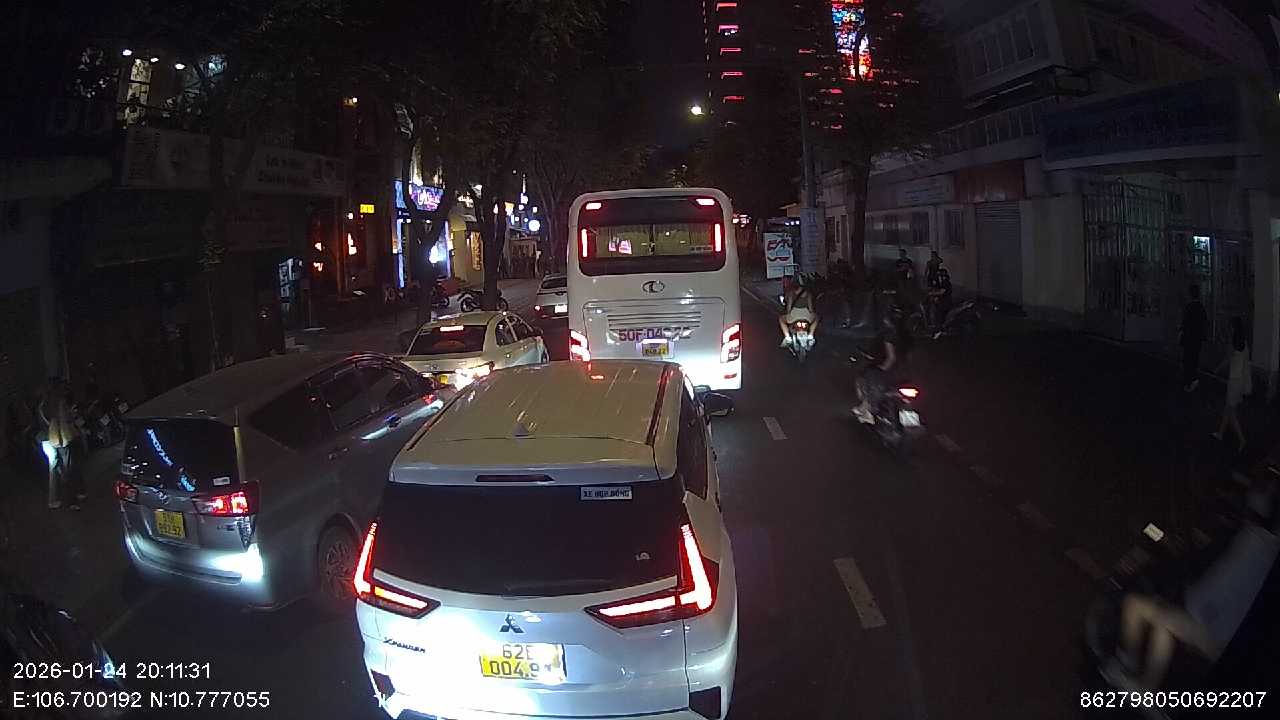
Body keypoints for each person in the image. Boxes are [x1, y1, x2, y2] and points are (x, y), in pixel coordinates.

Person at [1104, 495, 1279, 691]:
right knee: (1161, 619)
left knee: (1138, 606)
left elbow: (1198, 560)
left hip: (1211, 630)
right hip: (1199, 609)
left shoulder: (1252, 540)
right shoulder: (1248, 538)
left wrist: (1172, 542)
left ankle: (1132, 674)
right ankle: (1135, 677)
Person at [852, 304, 912, 424]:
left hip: (892, 372)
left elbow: (891, 359)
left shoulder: (889, 335)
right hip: (905, 372)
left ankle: (866, 410)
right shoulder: (906, 335)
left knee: (871, 379)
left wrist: (879, 370)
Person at [38, 380, 84, 511]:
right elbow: (65, 419)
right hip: (60, 438)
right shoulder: (59, 402)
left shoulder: (43, 405)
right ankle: (72, 499)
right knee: (68, 467)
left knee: (56, 468)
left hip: (49, 440)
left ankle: (55, 499)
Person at [1212, 317, 1251, 450]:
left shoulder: (1232, 343)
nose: (1229, 328)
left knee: (1231, 412)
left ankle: (1242, 440)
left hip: (1234, 381)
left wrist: (1216, 369)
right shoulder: (1244, 343)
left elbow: (1227, 360)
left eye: (1230, 326)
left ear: (1233, 328)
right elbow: (1245, 362)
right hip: (1240, 380)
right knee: (1228, 409)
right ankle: (1220, 433)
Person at [1180, 285, 1209, 392]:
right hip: (1197, 338)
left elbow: (1185, 323)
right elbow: (1204, 322)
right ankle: (1193, 379)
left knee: (1187, 359)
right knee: (1194, 358)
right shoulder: (1201, 307)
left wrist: (1182, 334)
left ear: (1190, 294)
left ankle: (1189, 381)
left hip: (1189, 338)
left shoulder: (1189, 307)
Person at [778, 282, 820, 347]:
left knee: (781, 319)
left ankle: (787, 337)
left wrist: (788, 313)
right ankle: (811, 335)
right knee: (816, 318)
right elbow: (811, 309)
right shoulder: (808, 294)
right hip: (806, 316)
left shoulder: (791, 293)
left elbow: (788, 310)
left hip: (794, 316)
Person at [926, 264, 953, 328]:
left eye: (939, 275)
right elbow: (935, 288)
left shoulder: (946, 283)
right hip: (941, 300)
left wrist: (931, 293)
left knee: (939, 311)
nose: (938, 277)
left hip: (945, 301)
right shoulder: (940, 282)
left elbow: (941, 292)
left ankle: (940, 325)